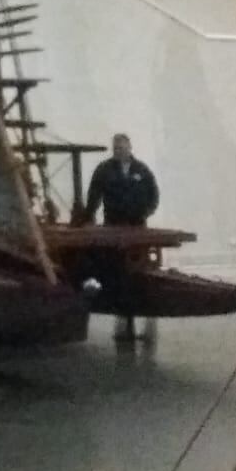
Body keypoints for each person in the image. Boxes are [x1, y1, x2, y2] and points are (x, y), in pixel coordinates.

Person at [78, 134, 160, 340]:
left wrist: (146, 212)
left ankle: (139, 304)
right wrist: (88, 218)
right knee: (115, 266)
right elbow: (94, 195)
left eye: (122, 147)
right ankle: (121, 310)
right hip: (113, 226)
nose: (119, 151)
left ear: (130, 147)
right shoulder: (104, 170)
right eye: (116, 148)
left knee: (136, 266)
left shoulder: (142, 170)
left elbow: (153, 194)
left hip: (137, 227)